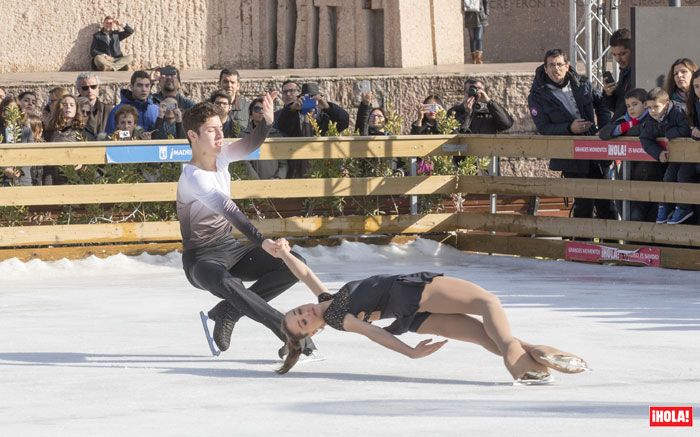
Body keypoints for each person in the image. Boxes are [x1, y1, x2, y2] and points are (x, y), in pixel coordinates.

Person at [272, 241, 589, 381]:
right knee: (488, 303)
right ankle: (515, 361)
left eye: (298, 310)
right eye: (303, 322)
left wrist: (285, 253)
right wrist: (410, 354)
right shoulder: (338, 317)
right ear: (314, 332)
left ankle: (538, 357)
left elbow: (304, 274)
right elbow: (373, 332)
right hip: (412, 293)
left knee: (485, 334)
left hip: (412, 318)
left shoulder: (328, 301)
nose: (306, 313)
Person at [177, 97, 316, 358]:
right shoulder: (192, 177)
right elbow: (229, 211)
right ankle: (288, 331)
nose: (220, 134)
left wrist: (267, 123)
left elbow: (251, 143)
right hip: (201, 261)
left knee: (293, 262)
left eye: (220, 128)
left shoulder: (222, 156)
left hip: (231, 249)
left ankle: (229, 311)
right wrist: (262, 241)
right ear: (193, 135)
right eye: (211, 130)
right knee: (228, 283)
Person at [528, 48, 612, 220]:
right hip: (570, 154)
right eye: (551, 65)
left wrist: (603, 130)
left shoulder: (582, 83)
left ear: (567, 66)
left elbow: (602, 104)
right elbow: (543, 127)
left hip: (595, 150)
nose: (555, 69)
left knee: (607, 203)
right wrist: (569, 128)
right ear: (545, 68)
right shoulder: (537, 95)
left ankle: (612, 245)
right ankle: (583, 245)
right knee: (583, 205)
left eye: (559, 64)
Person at [599, 88, 663, 222]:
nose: (631, 109)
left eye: (635, 104)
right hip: (629, 176)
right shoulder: (626, 121)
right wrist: (625, 127)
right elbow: (604, 133)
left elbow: (645, 129)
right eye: (628, 106)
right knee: (628, 212)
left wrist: (625, 130)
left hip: (652, 176)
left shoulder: (654, 118)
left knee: (645, 215)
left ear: (645, 104)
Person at [641, 88, 694, 225]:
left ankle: (684, 207)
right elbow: (645, 139)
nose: (652, 111)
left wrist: (667, 133)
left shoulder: (678, 112)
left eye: (656, 107)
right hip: (675, 157)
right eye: (649, 108)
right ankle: (664, 206)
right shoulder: (651, 118)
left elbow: (685, 129)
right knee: (668, 177)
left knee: (683, 176)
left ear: (666, 104)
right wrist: (658, 153)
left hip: (690, 156)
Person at [276, 82, 350, 178]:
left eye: (313, 97)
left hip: (320, 167)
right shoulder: (292, 117)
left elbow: (344, 121)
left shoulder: (325, 117)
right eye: (306, 97)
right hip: (296, 168)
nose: (310, 100)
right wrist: (292, 108)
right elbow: (282, 126)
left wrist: (327, 106)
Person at [243, 97, 287, 179]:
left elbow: (283, 163)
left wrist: (278, 178)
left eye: (264, 109)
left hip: (275, 185)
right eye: (257, 109)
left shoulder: (276, 135)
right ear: (250, 112)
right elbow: (244, 163)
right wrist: (256, 181)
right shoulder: (243, 135)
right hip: (251, 184)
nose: (261, 112)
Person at [603, 29, 633, 118]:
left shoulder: (636, 74)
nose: (618, 59)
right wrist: (609, 94)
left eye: (622, 54)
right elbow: (616, 108)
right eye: (614, 55)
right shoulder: (624, 72)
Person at [218, 69, 250, 136]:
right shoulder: (210, 106)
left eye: (232, 82)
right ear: (219, 84)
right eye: (226, 82)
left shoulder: (247, 107)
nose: (229, 85)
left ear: (238, 86)